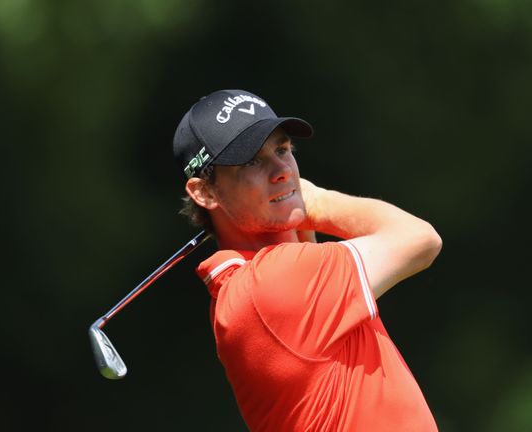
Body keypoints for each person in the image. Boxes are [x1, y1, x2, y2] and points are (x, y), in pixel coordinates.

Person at [172, 89, 443, 431]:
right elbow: (420, 239)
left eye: (282, 149)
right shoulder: (270, 282)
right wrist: (317, 201)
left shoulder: (253, 285)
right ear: (205, 193)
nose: (282, 170)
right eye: (252, 161)